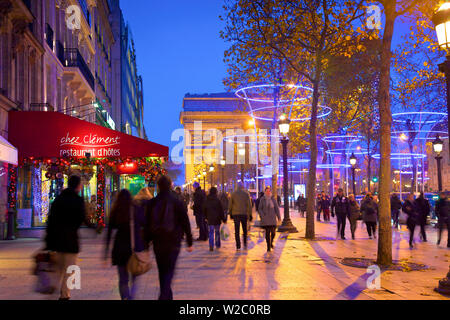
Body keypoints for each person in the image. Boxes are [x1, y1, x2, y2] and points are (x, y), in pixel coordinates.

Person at [44, 175, 93, 300]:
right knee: (70, 270)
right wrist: (93, 226)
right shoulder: (78, 200)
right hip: (71, 241)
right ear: (77, 186)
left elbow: (51, 221)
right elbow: (82, 218)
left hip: (57, 241)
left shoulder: (58, 199)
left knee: (58, 269)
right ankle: (65, 295)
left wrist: (48, 242)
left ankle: (53, 288)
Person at [145, 175, 193, 300]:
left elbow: (146, 224)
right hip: (173, 241)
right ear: (170, 185)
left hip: (158, 242)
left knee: (162, 270)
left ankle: (165, 295)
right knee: (169, 270)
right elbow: (185, 221)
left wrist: (145, 243)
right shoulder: (177, 202)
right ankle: (164, 295)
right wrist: (189, 241)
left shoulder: (152, 203)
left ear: (158, 187)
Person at [104, 188, 151, 300]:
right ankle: (131, 297)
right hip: (134, 247)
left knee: (123, 279)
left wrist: (105, 253)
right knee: (134, 276)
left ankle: (125, 297)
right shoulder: (135, 208)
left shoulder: (115, 210)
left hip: (119, 248)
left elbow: (109, 232)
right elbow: (145, 223)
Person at [228, 182, 252, 250]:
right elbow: (249, 205)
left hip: (236, 214)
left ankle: (238, 245)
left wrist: (230, 213)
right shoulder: (246, 194)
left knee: (237, 230)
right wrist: (249, 214)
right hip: (244, 214)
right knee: (245, 230)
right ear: (242, 186)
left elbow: (230, 204)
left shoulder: (233, 194)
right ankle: (245, 243)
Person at [257, 187, 281, 252]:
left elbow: (276, 208)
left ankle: (271, 242)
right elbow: (260, 209)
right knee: (267, 233)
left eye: (269, 191)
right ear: (265, 192)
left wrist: (279, 217)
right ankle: (268, 246)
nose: (268, 192)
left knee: (273, 233)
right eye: (267, 191)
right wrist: (262, 216)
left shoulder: (273, 199)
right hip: (266, 219)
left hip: (272, 218)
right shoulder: (262, 199)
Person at [203, 187, 226, 251]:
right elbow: (221, 210)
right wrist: (223, 219)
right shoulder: (218, 200)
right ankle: (217, 244)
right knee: (217, 232)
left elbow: (204, 209)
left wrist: (205, 217)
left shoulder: (207, 200)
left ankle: (211, 245)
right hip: (217, 219)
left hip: (210, 219)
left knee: (211, 232)